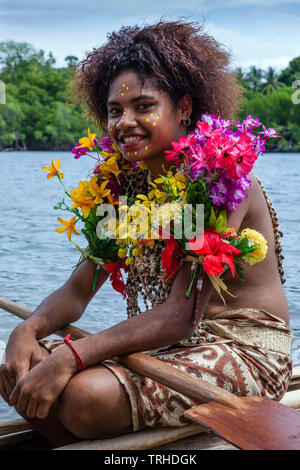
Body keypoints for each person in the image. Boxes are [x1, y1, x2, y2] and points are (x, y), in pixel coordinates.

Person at [0, 21, 292, 447]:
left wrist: (71, 356)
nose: (126, 122)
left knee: (81, 398)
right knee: (15, 370)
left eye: (143, 106)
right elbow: (79, 291)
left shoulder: (215, 179)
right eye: (116, 111)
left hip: (245, 350)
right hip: (178, 347)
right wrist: (25, 332)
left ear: (184, 107)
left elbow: (178, 316)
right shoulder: (122, 187)